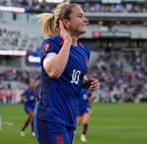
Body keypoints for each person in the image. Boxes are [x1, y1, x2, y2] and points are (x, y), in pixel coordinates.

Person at [34, 2, 99, 144]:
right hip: (51, 118)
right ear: (66, 23)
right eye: (80, 16)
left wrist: (86, 83)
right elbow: (53, 72)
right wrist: (67, 41)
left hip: (69, 120)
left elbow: (72, 78)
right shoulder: (52, 44)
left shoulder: (84, 51)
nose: (85, 20)